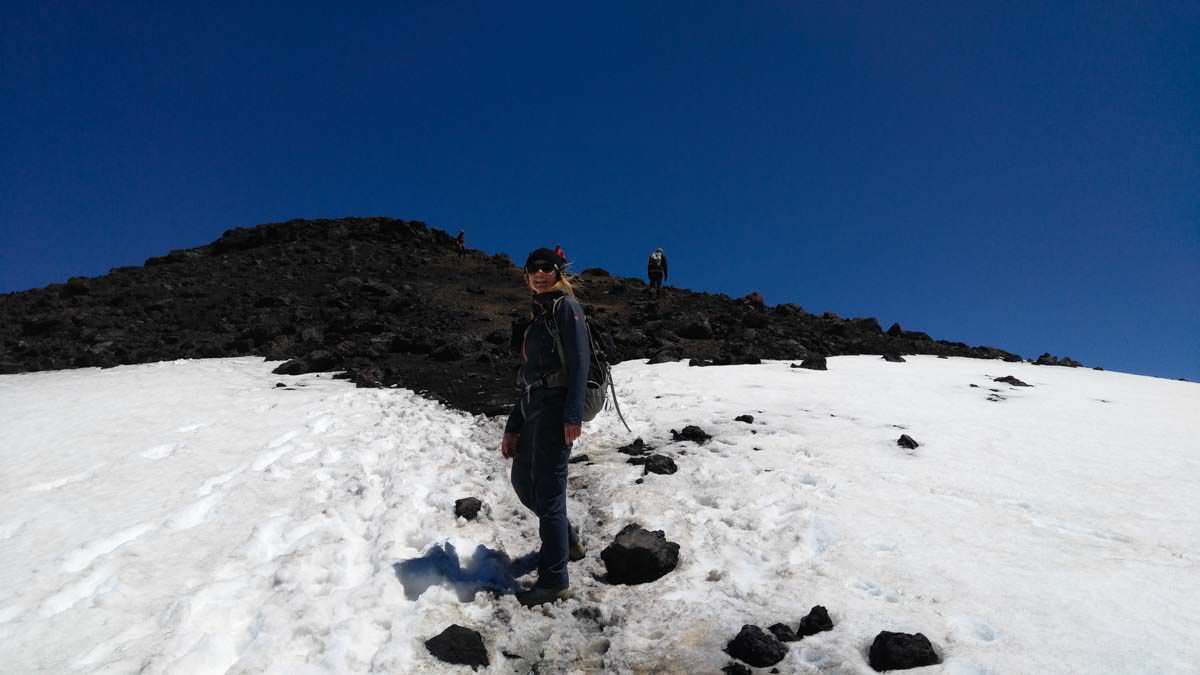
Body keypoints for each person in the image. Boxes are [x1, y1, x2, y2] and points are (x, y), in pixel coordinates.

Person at [501, 247, 589, 606]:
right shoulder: (538, 316)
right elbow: (528, 379)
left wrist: (573, 415)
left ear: (558, 272)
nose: (540, 274)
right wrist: (513, 425)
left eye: (546, 268)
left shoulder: (566, 307)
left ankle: (554, 579)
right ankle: (564, 540)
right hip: (534, 406)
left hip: (556, 409)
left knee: (550, 494)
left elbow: (580, 363)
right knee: (523, 481)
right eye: (533, 269)